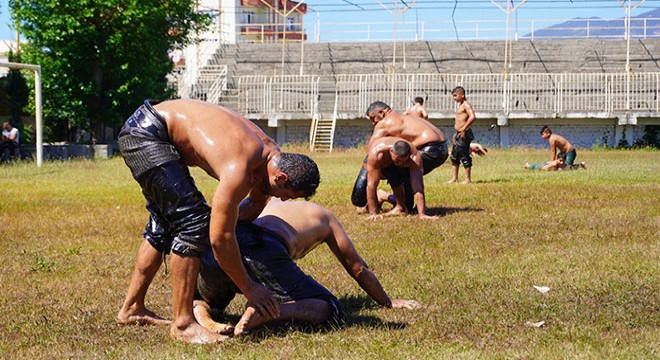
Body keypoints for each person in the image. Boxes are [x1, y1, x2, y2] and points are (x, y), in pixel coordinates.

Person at [115, 99, 320, 344]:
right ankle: (183, 324)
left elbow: (253, 206)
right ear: (281, 177)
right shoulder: (240, 168)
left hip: (150, 126)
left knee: (164, 222)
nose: (281, 201)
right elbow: (220, 240)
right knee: (191, 223)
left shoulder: (270, 156)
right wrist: (250, 288)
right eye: (283, 195)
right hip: (147, 133)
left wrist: (222, 224)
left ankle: (132, 308)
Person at [194, 198, 421, 336]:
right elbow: (357, 267)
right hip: (266, 248)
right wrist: (387, 301)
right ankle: (269, 310)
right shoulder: (323, 214)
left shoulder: (254, 202)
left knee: (209, 296)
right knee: (331, 308)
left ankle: (203, 313)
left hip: (221, 249)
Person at [352, 101, 448, 213]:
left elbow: (371, 150)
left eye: (373, 118)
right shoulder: (401, 117)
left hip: (431, 149)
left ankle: (397, 204)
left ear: (381, 113)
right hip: (442, 148)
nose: (373, 123)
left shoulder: (384, 124)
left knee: (394, 168)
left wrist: (376, 169)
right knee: (404, 169)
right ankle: (407, 205)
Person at [360, 137, 435, 220]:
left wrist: (422, 214)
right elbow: (371, 185)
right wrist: (373, 213)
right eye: (397, 160)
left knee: (408, 205)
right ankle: (380, 196)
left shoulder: (414, 157)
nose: (399, 163)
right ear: (391, 151)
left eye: (403, 161)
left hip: (394, 162)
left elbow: (418, 187)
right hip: (379, 159)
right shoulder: (377, 154)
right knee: (357, 198)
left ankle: (397, 205)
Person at [448, 86, 476, 184]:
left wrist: (463, 129)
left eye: (455, 96)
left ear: (462, 95)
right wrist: (457, 133)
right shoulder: (461, 105)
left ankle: (467, 179)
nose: (454, 98)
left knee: (464, 155)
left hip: (464, 133)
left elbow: (472, 116)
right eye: (453, 96)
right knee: (454, 156)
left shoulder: (466, 105)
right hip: (459, 134)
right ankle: (454, 178)